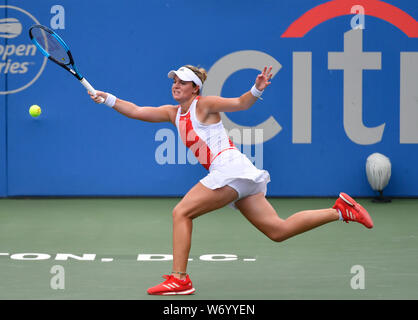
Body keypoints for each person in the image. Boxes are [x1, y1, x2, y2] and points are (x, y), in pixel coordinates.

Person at [89, 64, 374, 295]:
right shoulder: (172, 113)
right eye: (174, 80)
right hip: (238, 173)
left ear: (195, 88)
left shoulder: (205, 104)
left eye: (182, 81)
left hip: (229, 169)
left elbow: (240, 103)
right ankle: (340, 211)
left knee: (181, 212)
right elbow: (137, 111)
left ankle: (179, 279)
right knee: (278, 230)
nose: (176, 84)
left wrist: (256, 89)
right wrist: (107, 99)